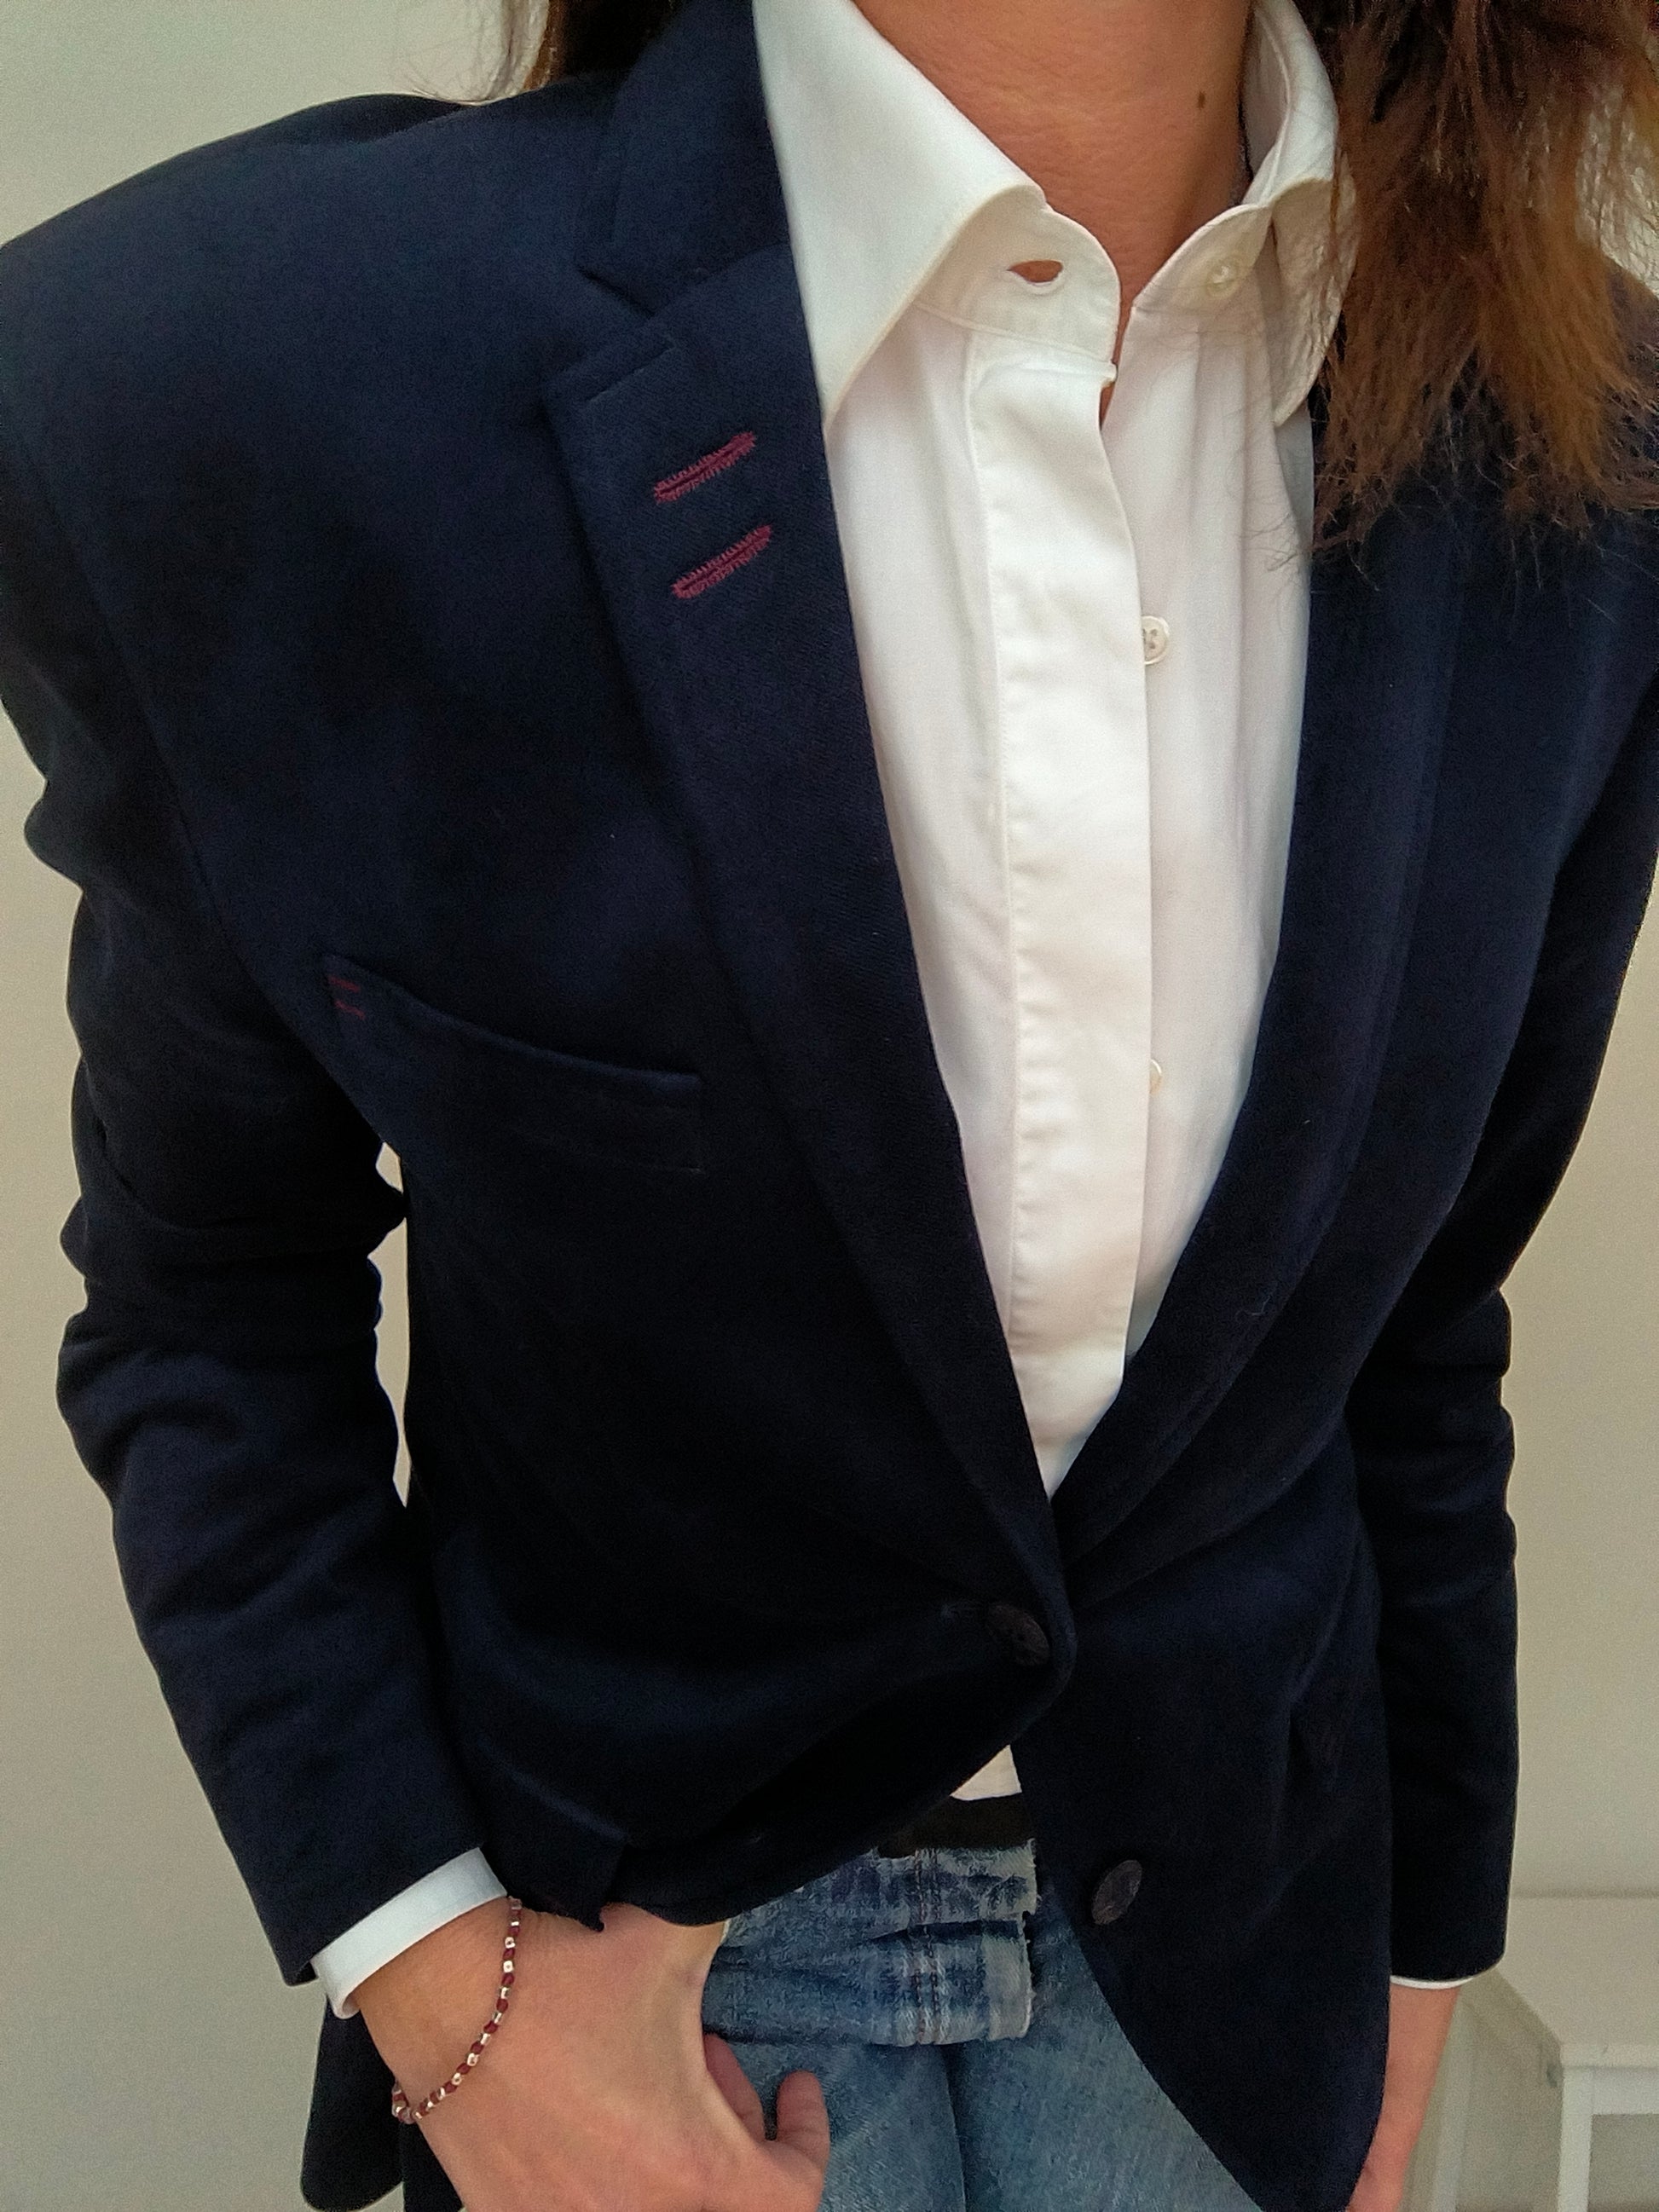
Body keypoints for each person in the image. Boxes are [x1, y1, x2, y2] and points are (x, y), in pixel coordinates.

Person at [3, 0, 1658, 2206]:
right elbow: (207, 1295)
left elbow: (1418, 1319)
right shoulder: (271, 371)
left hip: (1232, 1983)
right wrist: (443, 1987)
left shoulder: (1582, 443)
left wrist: (1426, 1942)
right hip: (643, 1982)